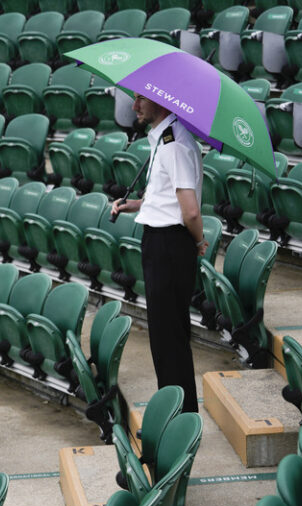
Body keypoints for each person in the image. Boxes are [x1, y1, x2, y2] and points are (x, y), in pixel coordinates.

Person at [111, 93, 208, 413]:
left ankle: (180, 416)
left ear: (163, 102)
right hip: (163, 241)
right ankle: (176, 410)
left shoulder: (174, 145)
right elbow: (167, 196)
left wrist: (198, 243)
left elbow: (190, 212)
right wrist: (136, 205)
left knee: (169, 340)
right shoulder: (166, 140)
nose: (135, 106)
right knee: (165, 337)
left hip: (169, 245)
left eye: (141, 99)